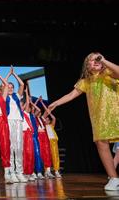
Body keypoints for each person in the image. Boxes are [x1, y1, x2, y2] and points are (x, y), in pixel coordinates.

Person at [49, 52, 119, 191]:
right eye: (92, 60)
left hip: (116, 114)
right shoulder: (86, 82)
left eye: (98, 59)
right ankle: (114, 178)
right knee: (101, 143)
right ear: (87, 65)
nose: (96, 61)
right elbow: (71, 94)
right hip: (99, 118)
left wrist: (104, 61)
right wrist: (56, 103)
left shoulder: (109, 74)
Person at [5, 66, 27, 183]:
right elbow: (4, 84)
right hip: (9, 121)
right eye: (8, 87)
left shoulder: (16, 96)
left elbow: (22, 85)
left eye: (12, 87)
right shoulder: (4, 97)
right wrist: (8, 74)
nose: (10, 88)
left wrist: (14, 74)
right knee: (11, 147)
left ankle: (20, 172)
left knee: (19, 148)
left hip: (18, 121)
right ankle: (12, 172)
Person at [40, 97, 62, 178]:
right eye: (46, 119)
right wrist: (42, 103)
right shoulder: (44, 126)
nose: (47, 120)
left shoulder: (51, 125)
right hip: (47, 141)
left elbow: (54, 118)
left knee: (55, 156)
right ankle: (47, 171)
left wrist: (50, 112)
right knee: (46, 156)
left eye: (48, 119)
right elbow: (46, 113)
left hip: (53, 141)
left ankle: (56, 171)